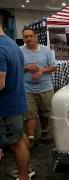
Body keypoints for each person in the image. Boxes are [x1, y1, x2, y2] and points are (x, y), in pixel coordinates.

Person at [0, 10, 34, 180]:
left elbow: (0, 83)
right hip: (17, 101)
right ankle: (26, 170)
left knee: (16, 144)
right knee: (19, 137)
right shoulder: (11, 44)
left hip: (7, 106)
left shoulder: (0, 47)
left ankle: (24, 176)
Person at [20, 27, 56, 147]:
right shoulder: (19, 51)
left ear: (35, 36)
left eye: (31, 36)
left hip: (45, 88)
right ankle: (31, 138)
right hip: (27, 88)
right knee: (30, 113)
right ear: (23, 38)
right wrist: (26, 67)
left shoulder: (46, 50)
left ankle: (45, 133)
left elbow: (53, 67)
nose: (29, 38)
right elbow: (14, 68)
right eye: (26, 36)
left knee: (45, 113)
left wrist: (42, 71)